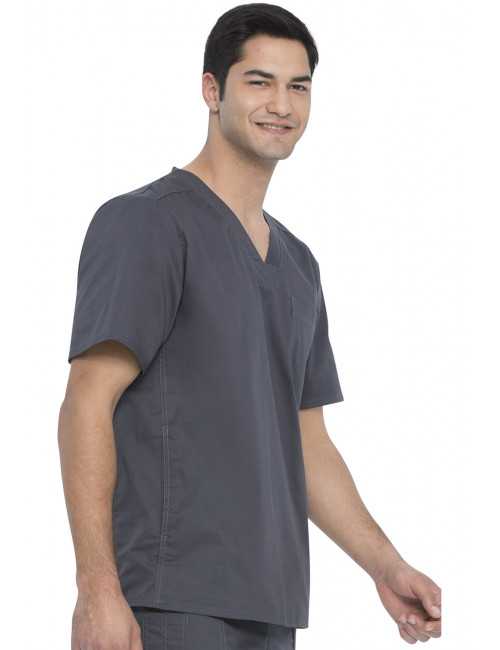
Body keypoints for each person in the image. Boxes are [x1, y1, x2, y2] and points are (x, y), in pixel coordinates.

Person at [59, 3, 442, 649]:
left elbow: (307, 444)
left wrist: (386, 565)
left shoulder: (298, 265)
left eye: (299, 86)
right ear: (213, 90)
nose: (281, 105)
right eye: (259, 82)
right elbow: (86, 403)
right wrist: (97, 588)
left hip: (271, 607)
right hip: (169, 601)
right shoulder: (147, 223)